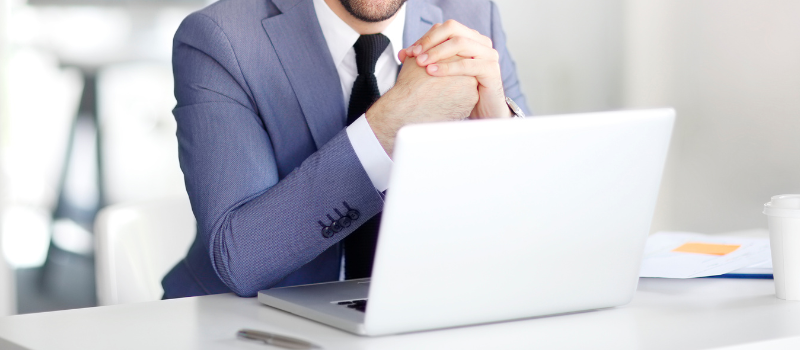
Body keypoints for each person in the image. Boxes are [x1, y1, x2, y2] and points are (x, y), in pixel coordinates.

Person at [161, 0, 529, 298]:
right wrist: (389, 123)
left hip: (420, 315)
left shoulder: (474, 15)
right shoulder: (220, 37)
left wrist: (497, 126)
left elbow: (539, 229)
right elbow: (241, 259)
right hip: (246, 325)